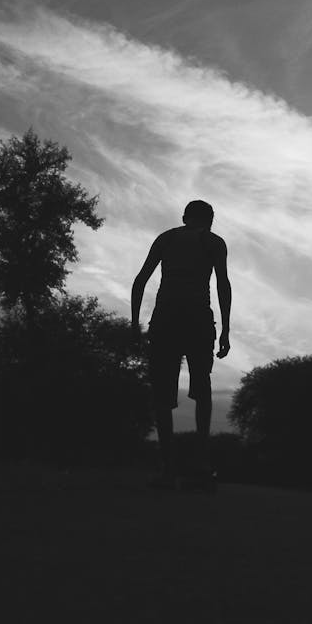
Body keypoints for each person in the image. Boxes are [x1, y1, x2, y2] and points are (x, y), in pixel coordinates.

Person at [130, 200, 231, 486]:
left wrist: (133, 323)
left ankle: (168, 468)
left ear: (185, 217)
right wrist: (225, 329)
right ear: (210, 220)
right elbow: (223, 283)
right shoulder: (213, 242)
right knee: (202, 389)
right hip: (198, 319)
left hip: (165, 320)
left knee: (162, 395)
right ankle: (201, 465)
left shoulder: (166, 238)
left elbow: (140, 281)